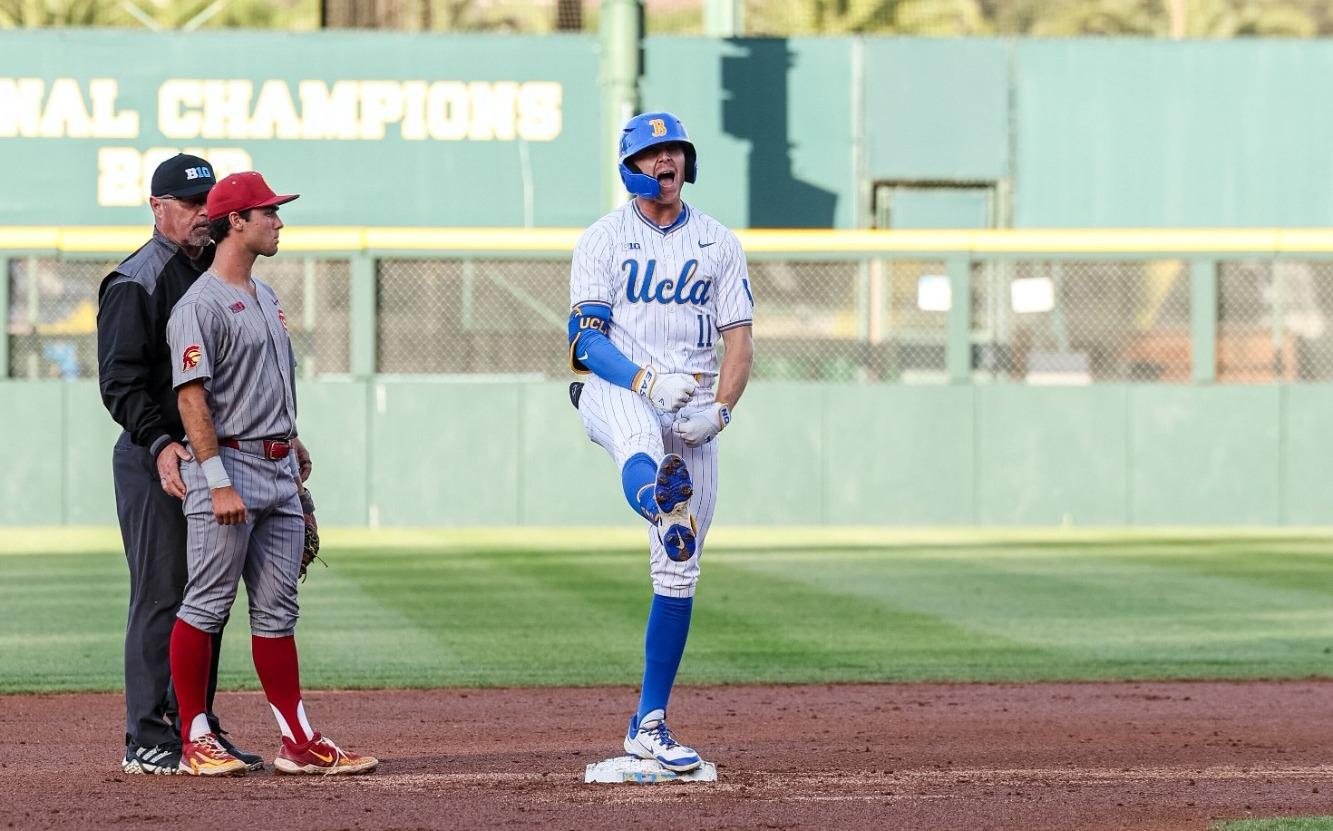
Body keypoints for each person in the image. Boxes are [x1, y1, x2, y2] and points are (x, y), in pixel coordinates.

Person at [164, 170, 376, 776]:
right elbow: (191, 400)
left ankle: (298, 740)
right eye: (269, 213)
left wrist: (292, 438)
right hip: (226, 467)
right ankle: (194, 737)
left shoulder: (268, 296)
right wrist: (215, 477)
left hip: (279, 469)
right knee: (205, 605)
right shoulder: (198, 305)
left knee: (277, 611)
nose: (279, 222)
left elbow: (260, 383)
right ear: (237, 221)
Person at [567, 111, 755, 771]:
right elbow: (585, 342)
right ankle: (653, 490)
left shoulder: (717, 243)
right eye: (651, 153)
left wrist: (722, 412)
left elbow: (740, 341)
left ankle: (649, 723)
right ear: (630, 167)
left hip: (693, 413)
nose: (665, 161)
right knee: (637, 435)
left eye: (673, 150)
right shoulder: (602, 239)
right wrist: (646, 377)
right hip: (617, 387)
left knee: (679, 562)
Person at [96, 153, 268, 775]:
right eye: (190, 205)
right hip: (154, 459)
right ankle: (146, 736)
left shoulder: (214, 275)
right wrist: (158, 441)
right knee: (162, 594)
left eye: (207, 204)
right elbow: (120, 382)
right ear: (157, 207)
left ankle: (196, 727)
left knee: (208, 597)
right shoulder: (136, 279)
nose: (202, 216)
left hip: (209, 458)